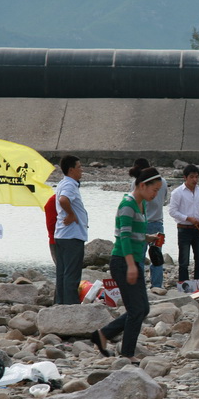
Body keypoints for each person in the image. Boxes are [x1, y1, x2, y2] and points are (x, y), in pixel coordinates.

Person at [90, 167, 162, 364]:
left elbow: (133, 233)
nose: (156, 194)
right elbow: (124, 236)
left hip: (133, 261)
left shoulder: (141, 204)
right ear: (142, 185)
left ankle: (103, 334)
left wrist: (148, 237)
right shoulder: (127, 205)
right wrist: (131, 265)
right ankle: (127, 353)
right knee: (136, 309)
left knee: (142, 309)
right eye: (154, 190)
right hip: (123, 261)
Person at [54, 155, 88, 305]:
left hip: (61, 235)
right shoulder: (69, 185)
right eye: (79, 167)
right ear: (71, 169)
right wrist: (72, 214)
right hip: (72, 236)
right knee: (72, 273)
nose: (81, 170)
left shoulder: (63, 183)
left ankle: (60, 303)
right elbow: (63, 200)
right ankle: (70, 305)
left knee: (62, 272)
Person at [129, 158, 168, 289]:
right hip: (157, 222)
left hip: (141, 222)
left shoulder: (136, 183)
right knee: (157, 257)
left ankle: (139, 285)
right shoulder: (163, 182)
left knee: (139, 256)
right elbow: (165, 200)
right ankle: (157, 286)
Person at [168, 164, 199, 289]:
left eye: (197, 177)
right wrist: (188, 218)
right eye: (192, 177)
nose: (195, 180)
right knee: (184, 260)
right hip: (184, 228)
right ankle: (184, 286)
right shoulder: (177, 192)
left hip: (198, 229)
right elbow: (172, 211)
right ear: (185, 177)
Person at [44, 194, 57, 265]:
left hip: (56, 238)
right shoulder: (54, 200)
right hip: (57, 238)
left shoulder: (54, 199)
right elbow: (51, 223)